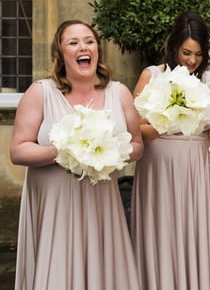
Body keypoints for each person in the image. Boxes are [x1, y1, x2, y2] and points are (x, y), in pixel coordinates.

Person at [10, 20, 143, 290]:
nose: (83, 47)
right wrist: (64, 151)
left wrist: (112, 153)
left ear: (97, 50)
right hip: (55, 205)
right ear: (60, 54)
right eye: (73, 42)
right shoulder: (41, 92)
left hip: (101, 203)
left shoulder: (119, 93)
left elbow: (137, 144)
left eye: (89, 41)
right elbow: (18, 149)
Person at [130, 10, 210, 290]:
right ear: (173, 46)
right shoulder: (151, 76)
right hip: (158, 169)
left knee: (195, 236)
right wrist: (165, 122)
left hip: (196, 170)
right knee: (159, 234)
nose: (192, 60)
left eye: (198, 54)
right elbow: (134, 128)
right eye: (186, 52)